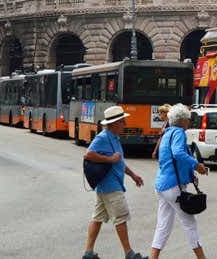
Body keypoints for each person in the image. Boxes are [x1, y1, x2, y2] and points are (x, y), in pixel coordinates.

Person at [81, 105, 146, 259]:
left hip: (106, 186)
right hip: (111, 186)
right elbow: (88, 154)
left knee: (97, 219)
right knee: (121, 218)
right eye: (123, 121)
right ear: (115, 123)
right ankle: (129, 253)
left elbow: (119, 162)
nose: (125, 124)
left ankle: (88, 253)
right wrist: (109, 159)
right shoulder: (103, 138)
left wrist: (133, 175)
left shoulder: (114, 138)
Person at [151, 103, 209, 258]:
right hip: (172, 187)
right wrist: (196, 166)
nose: (189, 122)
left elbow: (170, 160)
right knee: (190, 224)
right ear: (183, 120)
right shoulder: (179, 133)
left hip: (162, 185)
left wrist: (190, 174)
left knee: (163, 226)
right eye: (188, 119)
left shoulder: (167, 133)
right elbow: (178, 154)